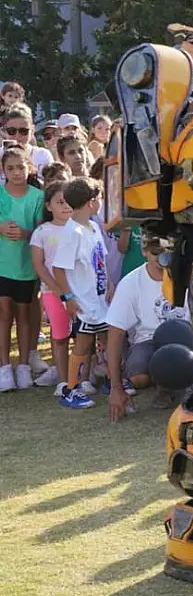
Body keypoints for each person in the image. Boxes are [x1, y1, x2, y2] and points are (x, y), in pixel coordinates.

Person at [105, 235, 191, 419]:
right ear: (144, 252)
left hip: (186, 339)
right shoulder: (130, 283)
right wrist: (116, 387)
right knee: (138, 376)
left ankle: (177, 383)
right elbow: (114, 334)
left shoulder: (189, 276)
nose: (162, 259)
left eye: (167, 252)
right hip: (148, 341)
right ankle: (166, 384)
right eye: (155, 252)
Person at [52, 178, 112, 409]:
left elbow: (101, 259)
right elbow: (58, 268)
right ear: (90, 202)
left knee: (107, 339)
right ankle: (72, 388)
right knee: (83, 344)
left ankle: (111, 379)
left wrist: (110, 284)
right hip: (84, 301)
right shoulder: (72, 232)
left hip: (100, 299)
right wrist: (67, 297)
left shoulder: (94, 226)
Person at [0, 147, 44, 391]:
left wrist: (26, 233)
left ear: (29, 167)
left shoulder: (38, 196)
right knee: (4, 314)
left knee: (24, 314)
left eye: (20, 167)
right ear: (3, 170)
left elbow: (41, 231)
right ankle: (4, 368)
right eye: (10, 168)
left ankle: (24, 365)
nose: (16, 173)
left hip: (26, 266)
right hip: (2, 265)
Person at [29, 182, 70, 391]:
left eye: (68, 201)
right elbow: (38, 264)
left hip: (79, 292)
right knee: (60, 336)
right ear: (48, 206)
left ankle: (82, 376)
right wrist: (55, 287)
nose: (65, 206)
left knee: (84, 336)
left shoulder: (80, 228)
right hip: (53, 293)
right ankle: (63, 380)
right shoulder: (42, 232)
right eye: (60, 202)